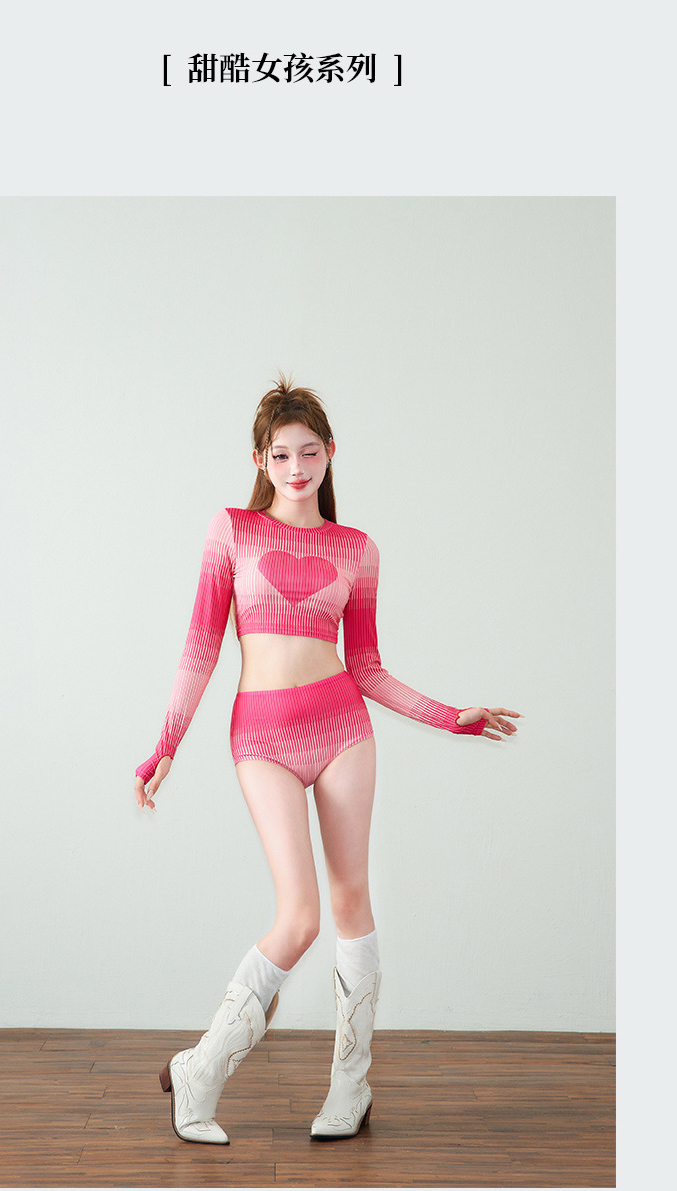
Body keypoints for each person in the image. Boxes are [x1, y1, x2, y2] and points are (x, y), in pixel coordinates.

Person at [134, 376, 521, 1145]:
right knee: (300, 917)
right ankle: (199, 1071)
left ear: (331, 452)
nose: (296, 466)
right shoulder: (233, 531)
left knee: (351, 902)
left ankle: (351, 1084)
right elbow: (201, 646)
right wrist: (165, 743)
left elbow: (367, 666)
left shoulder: (357, 550)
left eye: (309, 451)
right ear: (260, 459)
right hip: (263, 738)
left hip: (342, 728)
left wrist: (451, 717)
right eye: (281, 454)